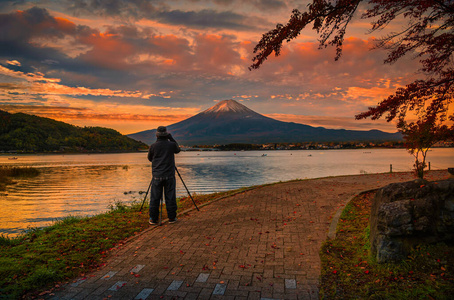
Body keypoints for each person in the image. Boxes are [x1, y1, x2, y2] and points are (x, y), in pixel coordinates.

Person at [147, 126, 180, 225]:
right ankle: (172, 217)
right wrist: (171, 138)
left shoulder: (153, 146)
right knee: (170, 197)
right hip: (169, 175)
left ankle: (153, 218)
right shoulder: (171, 145)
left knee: (155, 198)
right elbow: (177, 150)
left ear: (157, 135)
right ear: (166, 134)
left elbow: (150, 158)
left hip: (157, 175)